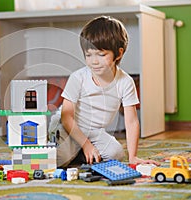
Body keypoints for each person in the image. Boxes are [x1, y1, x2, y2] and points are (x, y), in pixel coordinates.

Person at [52, 16, 160, 167]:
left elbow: (131, 121)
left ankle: (80, 154)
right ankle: (71, 150)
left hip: (94, 132)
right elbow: (66, 117)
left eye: (101, 55)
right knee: (56, 160)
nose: (94, 61)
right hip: (68, 128)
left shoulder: (125, 82)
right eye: (88, 55)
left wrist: (133, 157)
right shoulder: (78, 78)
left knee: (116, 154)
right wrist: (86, 145)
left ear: (119, 53)